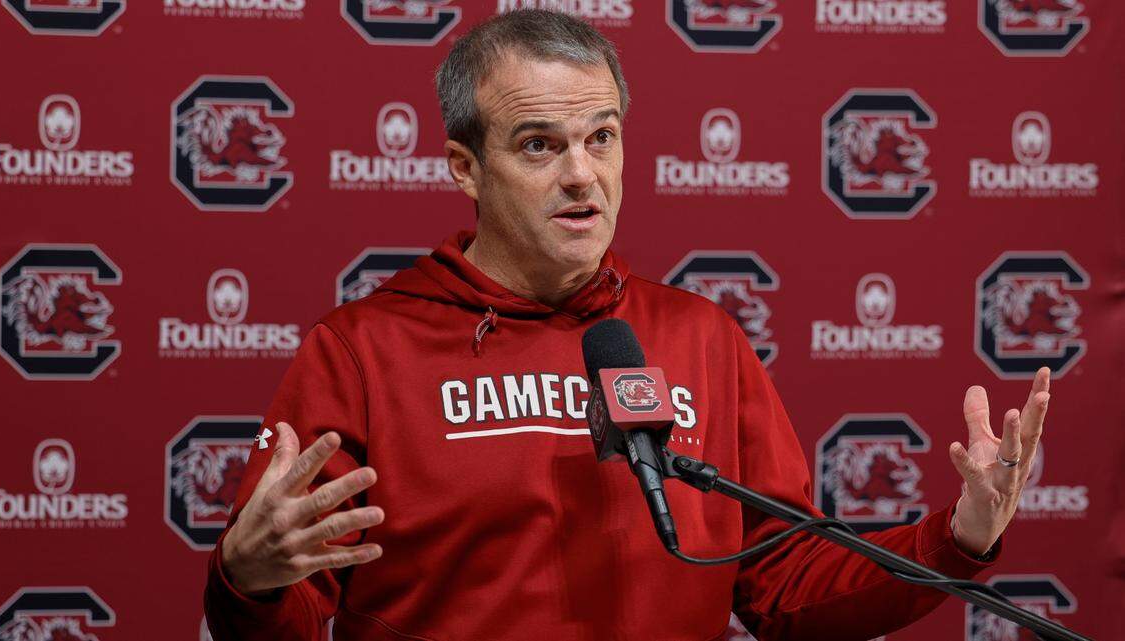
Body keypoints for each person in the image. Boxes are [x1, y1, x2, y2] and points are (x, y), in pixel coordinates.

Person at [204, 10, 1051, 641]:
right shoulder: (360, 350)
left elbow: (787, 587)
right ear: (466, 165)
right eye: (539, 145)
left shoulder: (702, 339)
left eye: (601, 137)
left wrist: (959, 536)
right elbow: (288, 604)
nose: (582, 175)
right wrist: (250, 578)